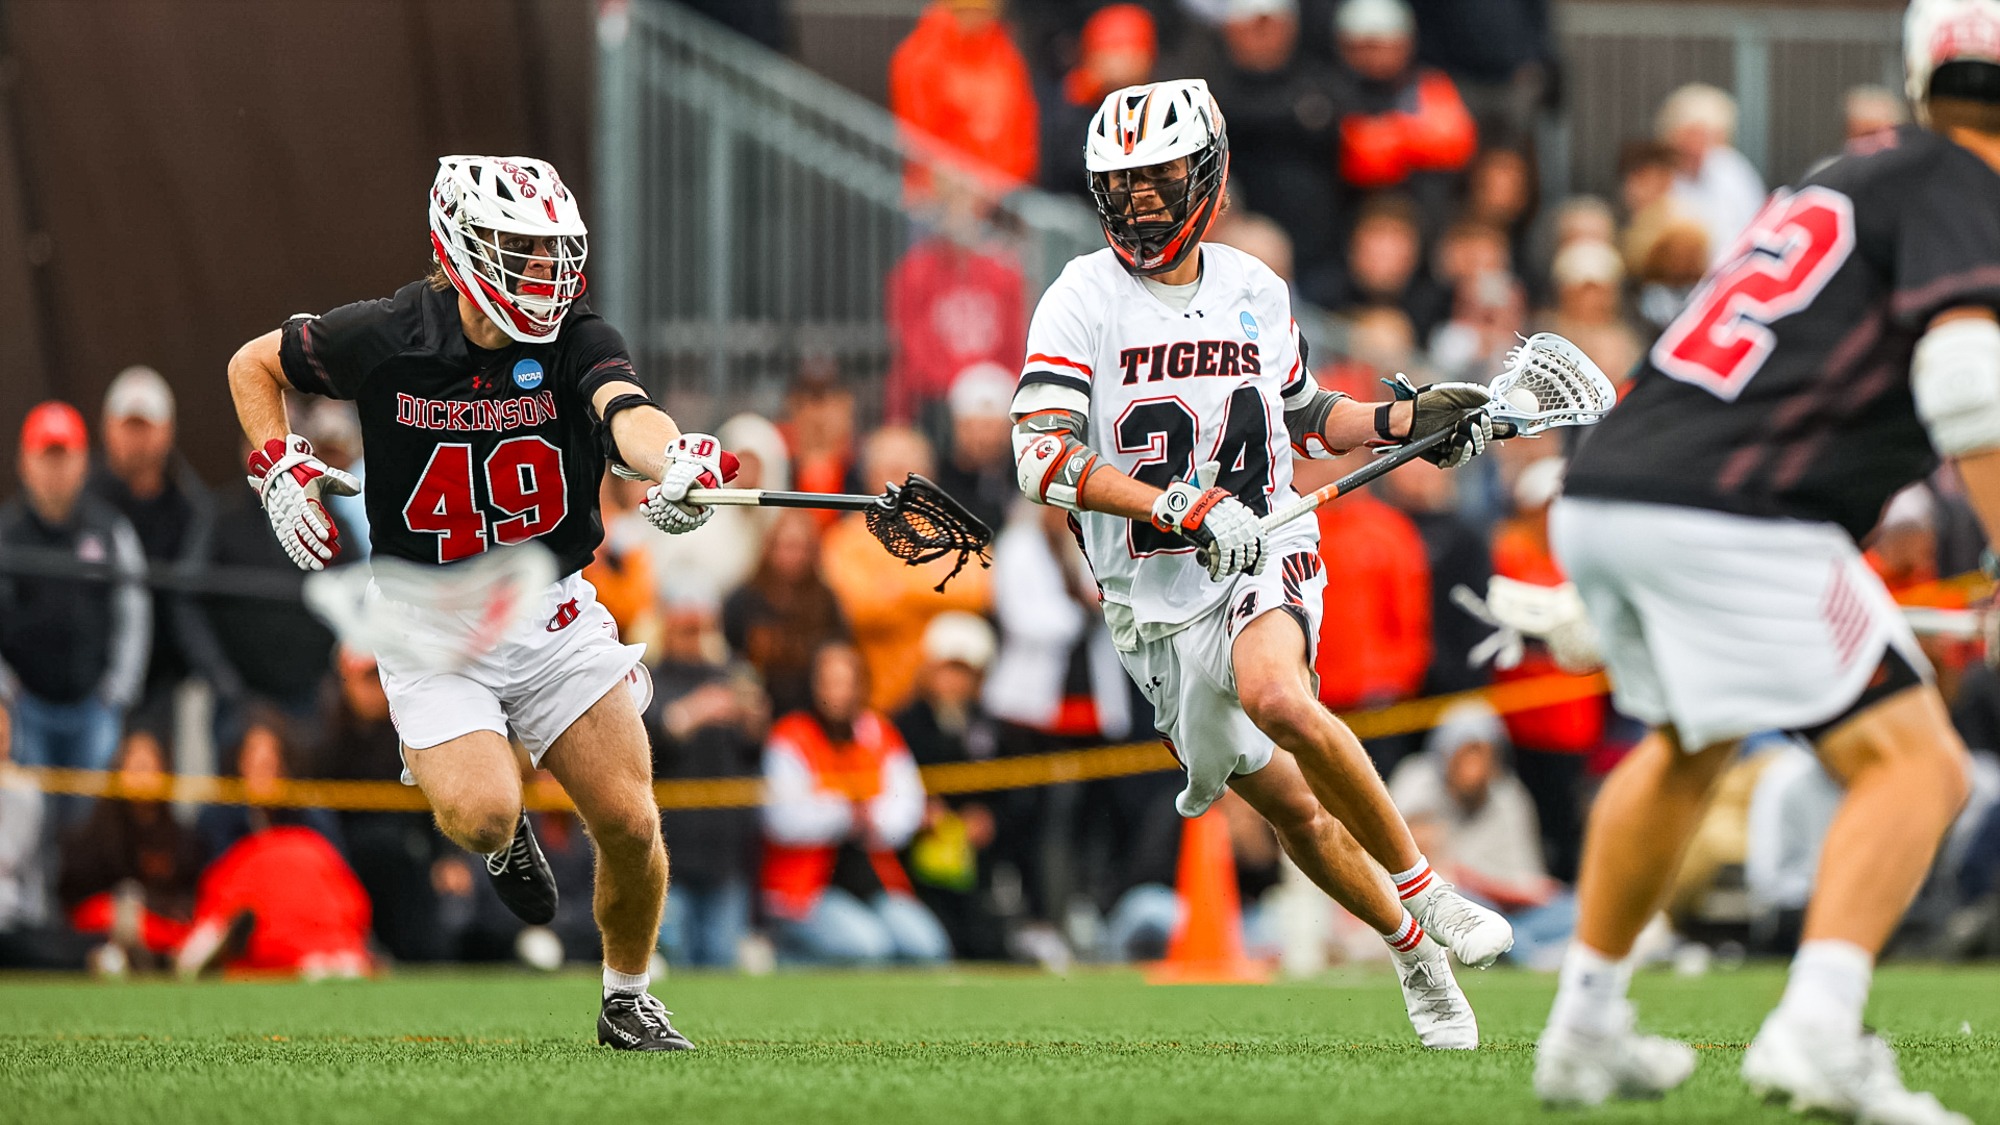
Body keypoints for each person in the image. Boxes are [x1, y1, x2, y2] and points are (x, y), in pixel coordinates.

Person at [1530, 7, 2000, 1118]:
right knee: (1919, 767)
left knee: (1686, 746)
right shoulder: (1961, 183)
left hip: (1610, 489)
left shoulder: (1847, 174)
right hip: (1732, 512)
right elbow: (1964, 379)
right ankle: (1818, 1031)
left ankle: (1583, 1028)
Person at [1010, 78, 1506, 1048]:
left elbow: (1304, 416)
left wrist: (1401, 421)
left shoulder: (1251, 286)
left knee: (1278, 694)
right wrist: (1172, 504)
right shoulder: (1080, 297)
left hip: (1263, 541)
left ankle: (1427, 890)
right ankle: (1414, 950)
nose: (1141, 202)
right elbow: (1040, 457)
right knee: (1295, 813)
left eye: (1160, 179)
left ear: (1210, 175)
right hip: (1152, 592)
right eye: (1123, 184)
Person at [223, 155, 710, 1050]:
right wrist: (275, 463)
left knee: (632, 822)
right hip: (429, 618)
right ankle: (500, 837)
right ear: (459, 248)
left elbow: (628, 411)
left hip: (549, 611)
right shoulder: (389, 332)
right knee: (484, 809)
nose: (544, 270)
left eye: (552, 250)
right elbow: (252, 364)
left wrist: (674, 458)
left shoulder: (575, 335)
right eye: (521, 249)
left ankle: (628, 997)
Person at [0, 402, 151, 817]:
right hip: (25, 706)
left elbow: (134, 611)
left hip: (94, 705)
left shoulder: (110, 530)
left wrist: (119, 689)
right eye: (45, 457)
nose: (55, 470)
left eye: (64, 457)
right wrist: (5, 691)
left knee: (90, 823)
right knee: (30, 817)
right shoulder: (6, 534)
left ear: (83, 462)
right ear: (24, 463)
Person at [761, 642, 951, 965]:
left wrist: (872, 819)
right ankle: (786, 956)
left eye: (845, 682)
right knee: (867, 947)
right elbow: (782, 819)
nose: (837, 693)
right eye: (829, 682)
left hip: (873, 880)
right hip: (806, 889)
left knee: (926, 946)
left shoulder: (879, 733)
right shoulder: (791, 736)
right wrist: (845, 814)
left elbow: (907, 808)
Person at [86, 365, 231, 731]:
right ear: (107, 428)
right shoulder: (84, 504)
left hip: (176, 679)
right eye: (128, 425)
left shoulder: (193, 507)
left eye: (145, 426)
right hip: (95, 680)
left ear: (168, 431)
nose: (137, 439)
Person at [1388, 701, 1574, 968]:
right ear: (1444, 753)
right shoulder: (1417, 783)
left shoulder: (1509, 795)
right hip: (1440, 905)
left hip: (1506, 912)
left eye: (1483, 753)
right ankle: (1530, 957)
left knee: (1576, 910)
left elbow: (1525, 879)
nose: (1473, 766)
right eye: (1466, 752)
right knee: (1453, 902)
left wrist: (1511, 891)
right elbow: (1401, 869)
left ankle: (1516, 950)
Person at [822, 427, 993, 712]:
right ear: (869, 474)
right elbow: (860, 607)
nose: (900, 481)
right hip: (878, 699)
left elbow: (976, 592)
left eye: (910, 471)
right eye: (890, 470)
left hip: (948, 701)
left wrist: (897, 587)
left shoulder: (957, 531)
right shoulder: (845, 541)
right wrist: (933, 584)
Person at [888, 0, 1039, 193]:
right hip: (942, 192)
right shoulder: (922, 55)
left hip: (1001, 191)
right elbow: (916, 132)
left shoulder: (1005, 56)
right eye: (968, 11)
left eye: (983, 12)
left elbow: (1022, 123)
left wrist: (1014, 176)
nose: (976, 19)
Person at [1655, 83, 1767, 269]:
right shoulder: (1657, 176)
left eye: (1706, 136)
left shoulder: (1732, 169)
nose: (1695, 145)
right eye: (1690, 135)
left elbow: (1758, 223)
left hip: (1735, 270)